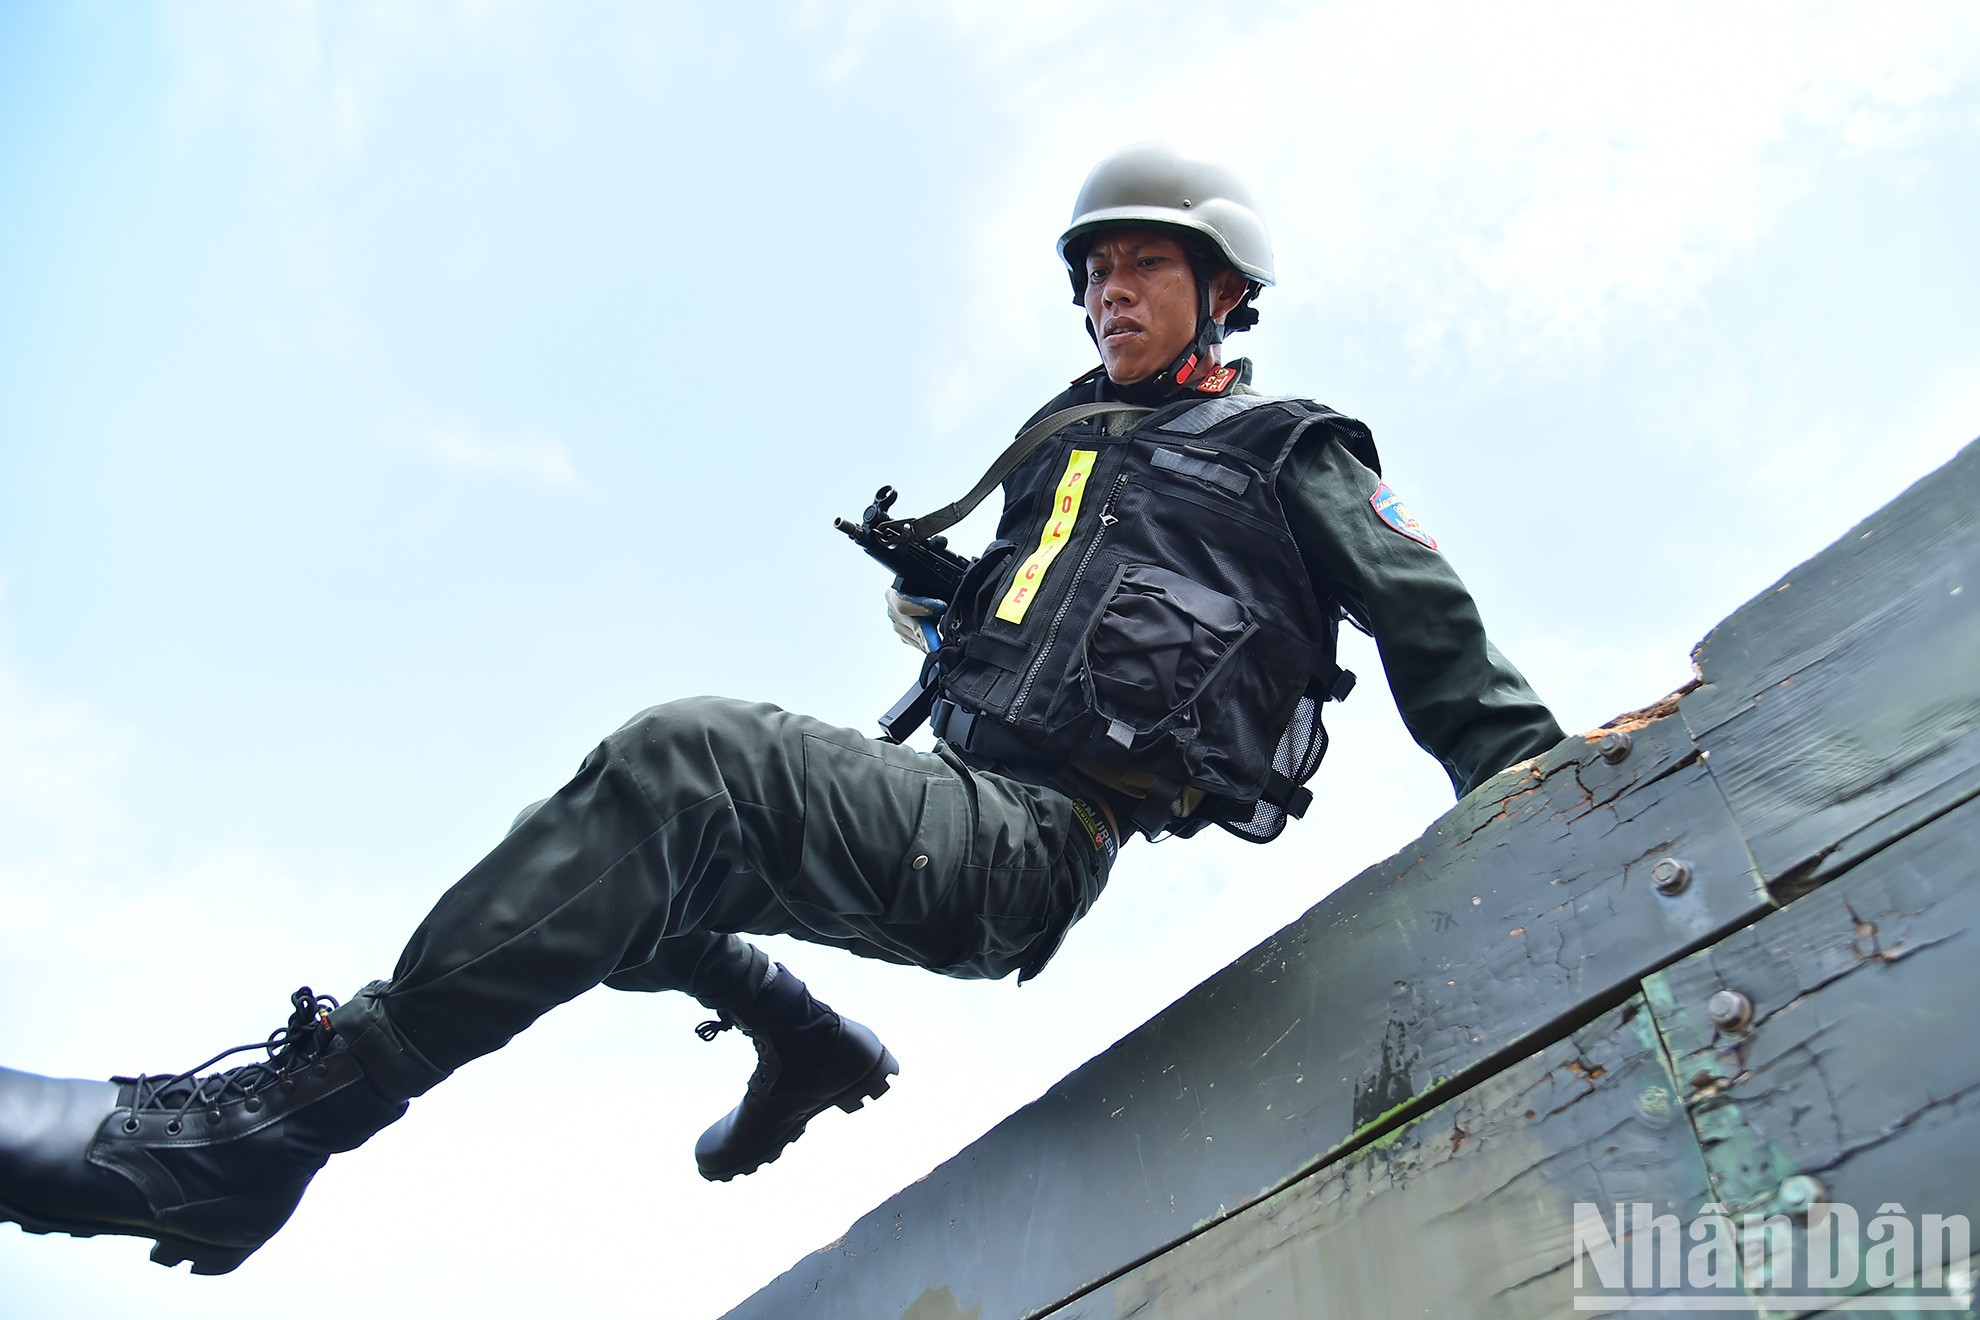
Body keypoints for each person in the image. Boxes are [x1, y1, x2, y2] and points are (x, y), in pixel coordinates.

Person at [0, 143, 1565, 1275]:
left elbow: (1417, 606)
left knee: (683, 760)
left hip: (1031, 839)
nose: (1106, 293)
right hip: (956, 801)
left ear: (1223, 287)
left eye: (1140, 264)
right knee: (601, 877)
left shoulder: (1286, 439)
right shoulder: (1076, 454)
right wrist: (953, 597)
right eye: (1092, 273)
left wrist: (1532, 786)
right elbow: (1056, 622)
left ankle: (270, 1133)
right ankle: (802, 1039)